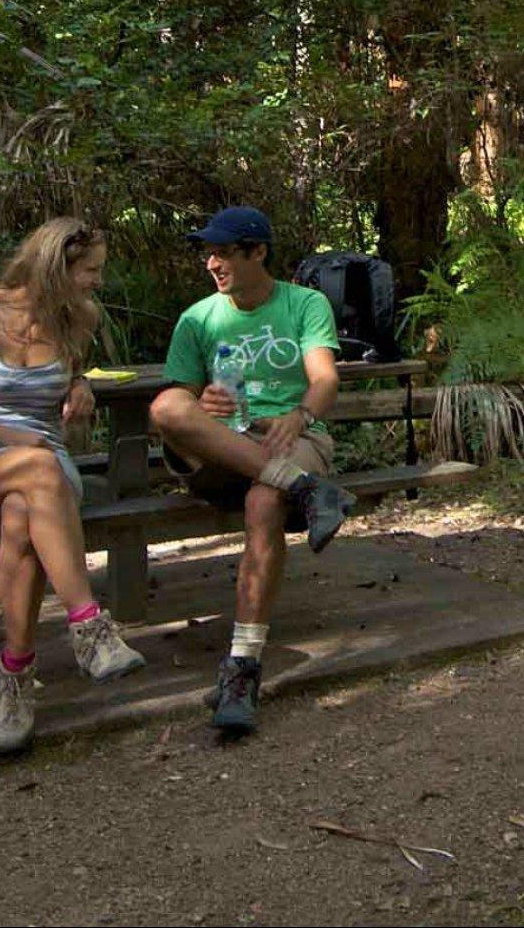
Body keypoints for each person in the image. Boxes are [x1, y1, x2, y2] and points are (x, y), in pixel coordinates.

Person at [0, 217, 146, 755]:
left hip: (43, 468)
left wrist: (81, 386)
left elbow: (70, 387)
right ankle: (90, 628)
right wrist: (11, 437)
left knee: (25, 510)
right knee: (34, 472)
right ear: (53, 266)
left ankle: (15, 677)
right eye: (90, 270)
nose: (96, 282)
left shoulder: (79, 319)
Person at [148, 205, 358, 736]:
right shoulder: (197, 318)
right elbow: (180, 398)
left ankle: (243, 668)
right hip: (224, 443)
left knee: (263, 501)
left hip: (292, 436)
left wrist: (300, 412)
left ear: (257, 251)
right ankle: (308, 491)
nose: (212, 263)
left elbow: (325, 379)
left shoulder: (305, 304)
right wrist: (203, 406)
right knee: (166, 408)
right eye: (208, 253)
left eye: (223, 252)